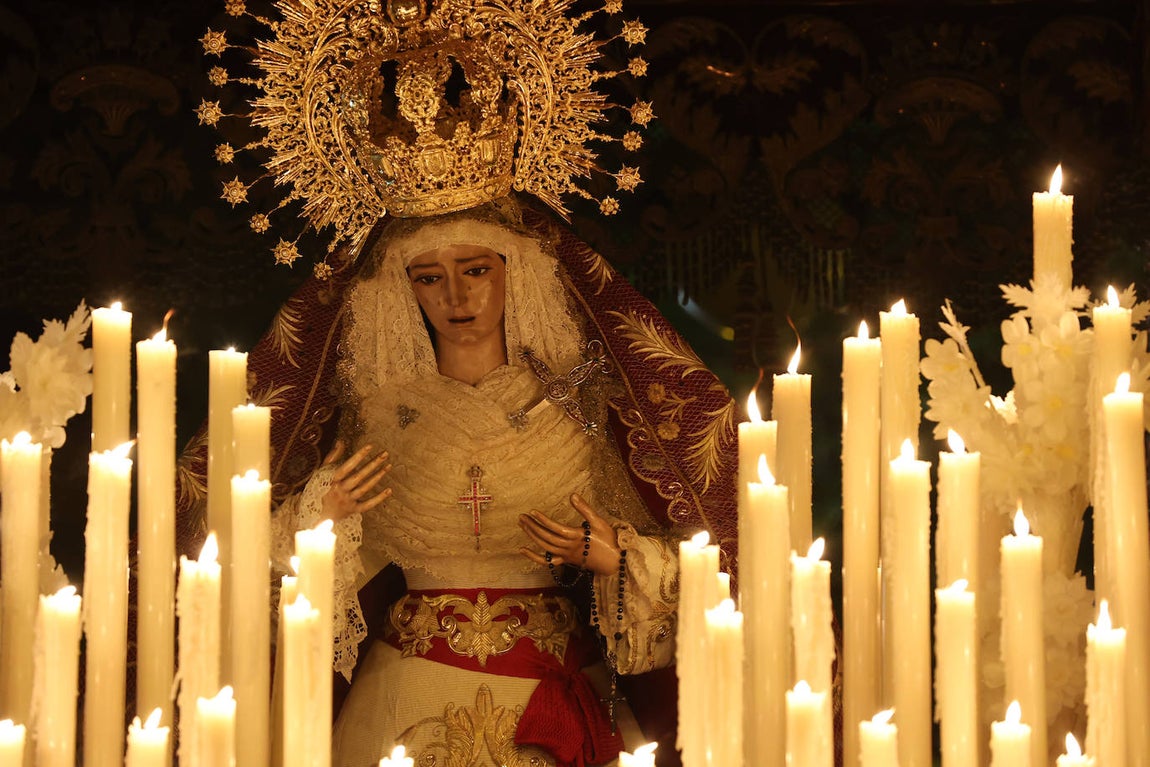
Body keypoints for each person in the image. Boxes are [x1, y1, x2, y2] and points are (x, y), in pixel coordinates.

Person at [269, 201, 686, 766]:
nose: (456, 298)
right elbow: (281, 568)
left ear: (515, 271)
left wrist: (617, 559)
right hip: (409, 685)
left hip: (548, 679)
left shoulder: (571, 411)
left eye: (475, 269)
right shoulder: (380, 415)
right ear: (405, 289)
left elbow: (688, 552)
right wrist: (323, 516)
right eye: (429, 278)